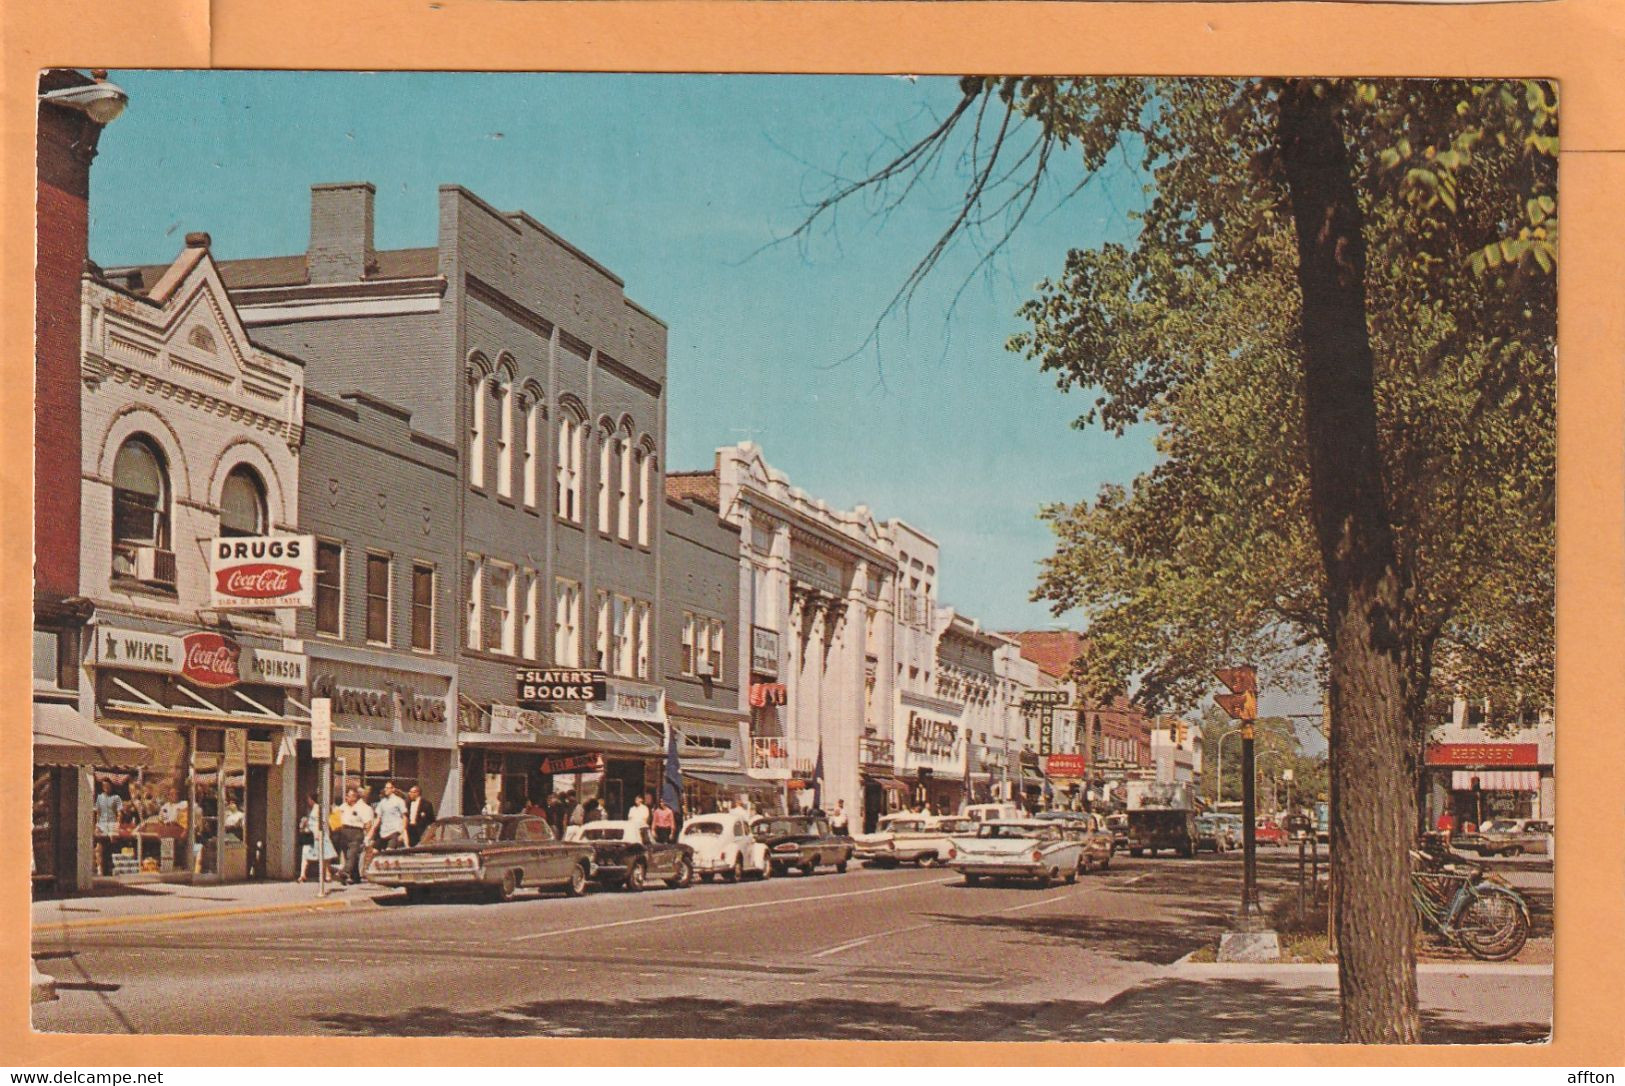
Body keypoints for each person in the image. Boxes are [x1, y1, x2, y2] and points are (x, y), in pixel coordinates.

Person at [334, 786, 373, 885]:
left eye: (349, 796)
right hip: (343, 831)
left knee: (352, 854)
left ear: (355, 797)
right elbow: (335, 819)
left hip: (356, 832)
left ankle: (345, 871)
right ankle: (355, 877)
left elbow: (368, 824)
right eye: (346, 795)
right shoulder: (343, 806)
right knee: (349, 856)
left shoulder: (364, 808)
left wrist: (368, 837)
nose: (347, 798)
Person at [298, 793, 337, 883]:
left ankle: (327, 874)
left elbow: (321, 821)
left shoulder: (318, 808)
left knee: (324, 855)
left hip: (318, 833)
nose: (308, 801)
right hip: (310, 833)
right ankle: (303, 874)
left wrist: (318, 832)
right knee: (306, 853)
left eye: (309, 799)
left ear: (312, 799)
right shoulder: (309, 809)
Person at [371, 780, 409, 851]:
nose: (386, 789)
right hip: (384, 832)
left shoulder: (399, 801)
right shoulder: (382, 803)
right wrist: (371, 833)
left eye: (388, 788)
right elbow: (378, 819)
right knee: (374, 851)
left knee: (389, 851)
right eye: (385, 788)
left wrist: (403, 832)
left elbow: (404, 817)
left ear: (393, 789)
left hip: (394, 831)